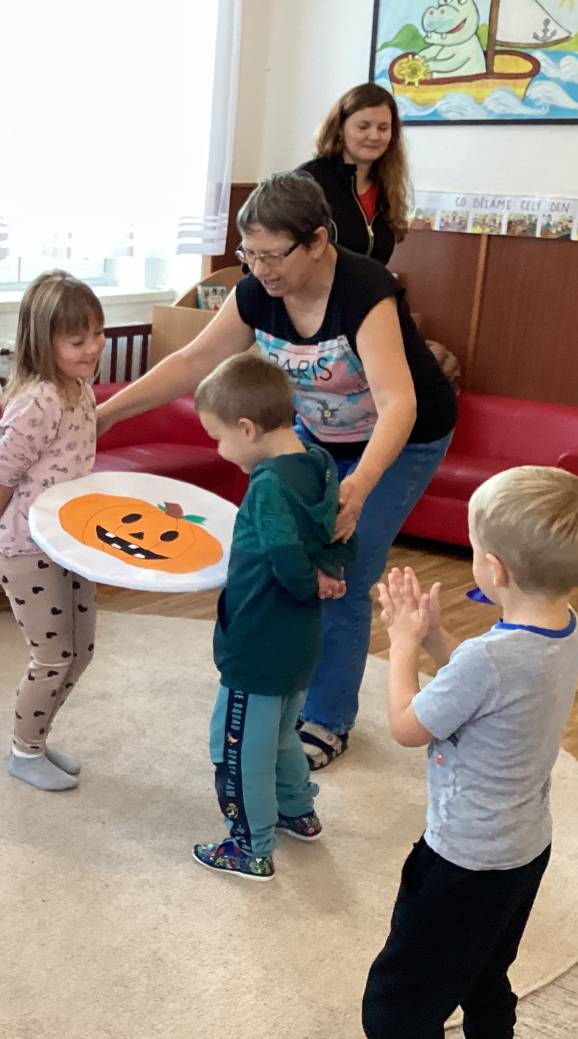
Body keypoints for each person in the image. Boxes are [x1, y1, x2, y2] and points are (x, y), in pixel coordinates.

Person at [289, 466, 578, 1039]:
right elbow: (485, 689)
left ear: (495, 570)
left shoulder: (491, 658)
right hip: (523, 849)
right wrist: (434, 638)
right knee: (485, 967)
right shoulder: (563, 630)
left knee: (403, 996)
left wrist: (402, 642)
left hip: (461, 859)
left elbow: (408, 725)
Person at [97, 171, 457, 772]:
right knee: (282, 559)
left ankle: (329, 719)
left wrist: (358, 487)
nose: (260, 269)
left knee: (342, 570)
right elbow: (192, 361)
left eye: (273, 255)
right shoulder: (256, 292)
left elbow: (400, 404)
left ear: (317, 241)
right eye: (250, 254)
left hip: (402, 440)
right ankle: (290, 687)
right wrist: (107, 414)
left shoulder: (366, 291)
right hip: (317, 435)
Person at [189, 352, 354, 881]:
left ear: (247, 428)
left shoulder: (266, 484)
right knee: (283, 733)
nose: (218, 450)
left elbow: (283, 554)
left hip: (259, 640)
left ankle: (250, 846)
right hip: (299, 639)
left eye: (218, 437)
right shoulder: (319, 463)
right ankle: (297, 811)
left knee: (237, 748)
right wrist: (329, 573)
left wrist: (308, 582)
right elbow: (338, 529)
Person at [0, 271, 105, 792]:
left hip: (69, 543)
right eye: (77, 340)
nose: (93, 347)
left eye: (97, 333)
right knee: (52, 656)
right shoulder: (37, 402)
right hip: (25, 548)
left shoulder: (80, 390)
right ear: (43, 343)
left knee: (81, 651)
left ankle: (37, 739)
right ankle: (23, 752)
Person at [296, 83, 411, 265]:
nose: (374, 136)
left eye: (383, 128)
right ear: (340, 129)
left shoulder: (387, 185)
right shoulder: (307, 181)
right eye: (363, 127)